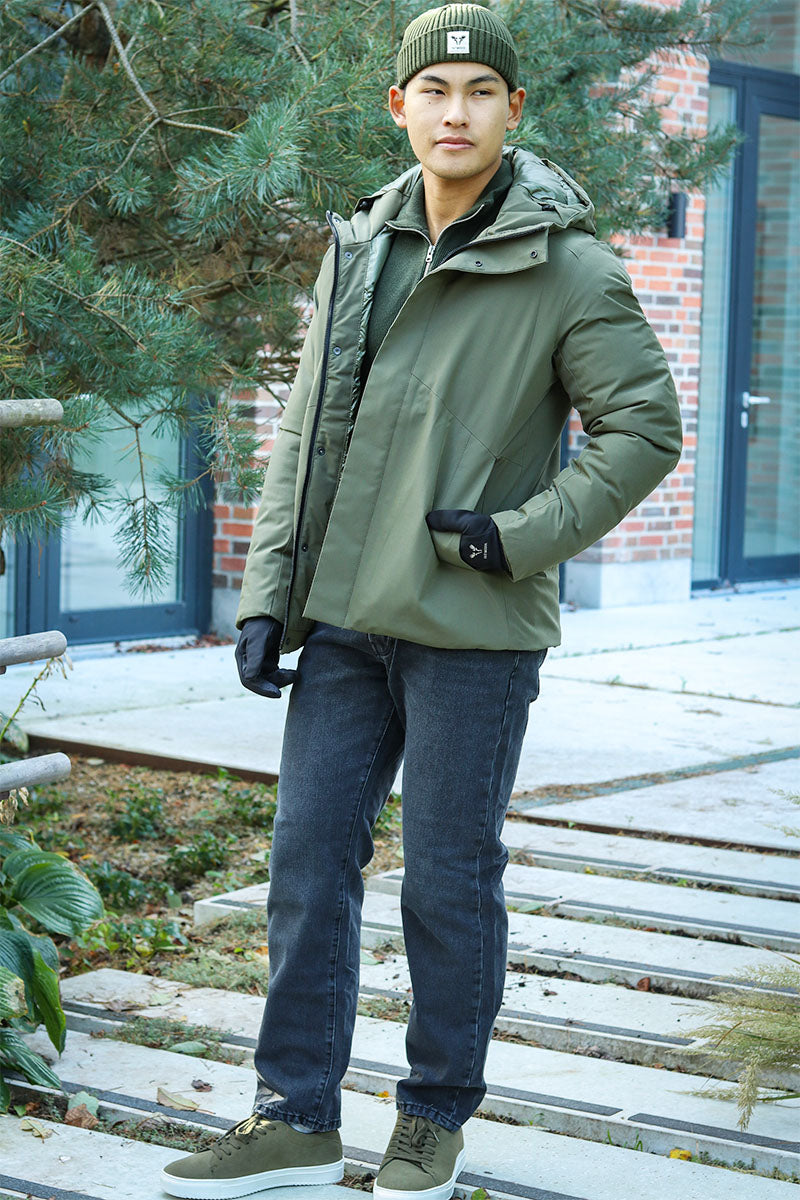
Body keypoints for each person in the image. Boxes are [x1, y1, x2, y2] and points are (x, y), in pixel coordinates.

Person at [160, 5, 682, 1199]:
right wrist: (269, 593)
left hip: (470, 629)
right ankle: (293, 1118)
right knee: (306, 867)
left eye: (479, 91)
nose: (456, 112)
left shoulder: (568, 265)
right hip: (346, 624)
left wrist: (516, 537)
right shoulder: (358, 245)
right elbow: (307, 430)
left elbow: (642, 431)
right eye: (434, 91)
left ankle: (431, 1120)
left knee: (447, 883)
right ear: (398, 106)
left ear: (511, 109)